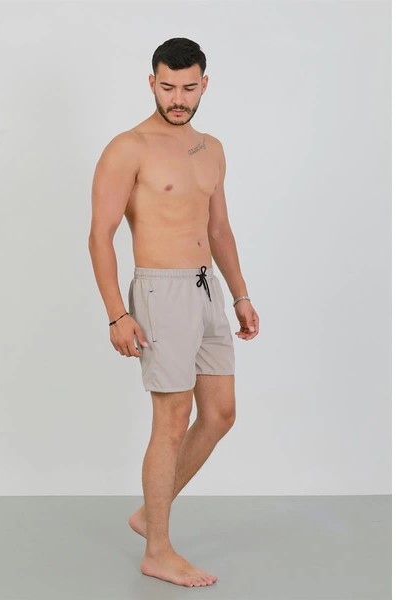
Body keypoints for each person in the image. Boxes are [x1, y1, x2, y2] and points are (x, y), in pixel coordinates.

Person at [88, 37, 259, 588]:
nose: (178, 99)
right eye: (167, 87)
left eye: (188, 88)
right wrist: (117, 314)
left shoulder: (211, 148)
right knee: (171, 419)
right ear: (152, 83)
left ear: (204, 85)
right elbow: (100, 235)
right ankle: (158, 550)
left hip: (208, 288)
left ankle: (149, 514)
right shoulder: (128, 147)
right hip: (160, 292)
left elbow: (220, 230)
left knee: (220, 414)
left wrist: (241, 295)